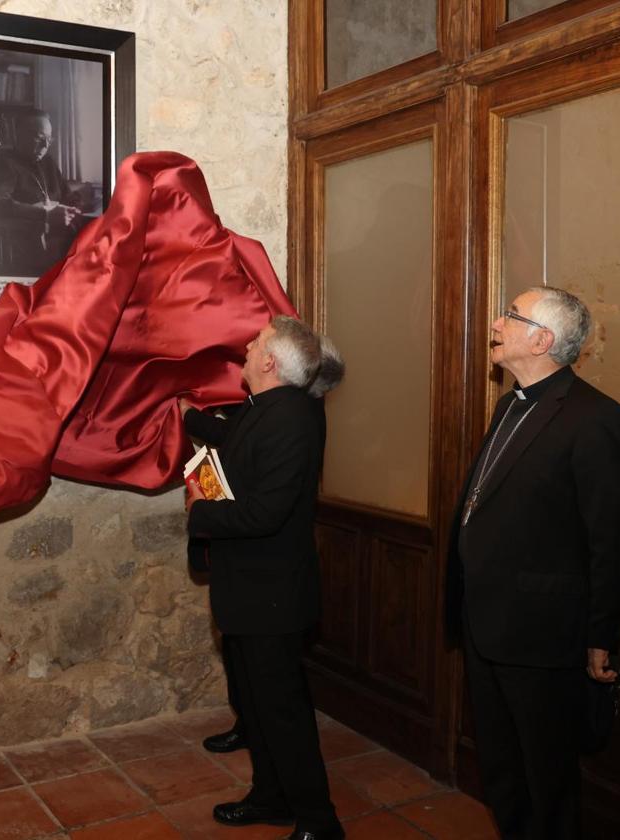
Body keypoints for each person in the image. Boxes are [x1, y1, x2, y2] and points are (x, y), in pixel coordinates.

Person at [445, 286, 620, 838]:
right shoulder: (511, 404)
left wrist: (602, 633)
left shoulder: (595, 417)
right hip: (486, 623)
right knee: (502, 771)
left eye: (510, 315)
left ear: (543, 339)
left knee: (547, 778)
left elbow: (613, 538)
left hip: (541, 633)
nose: (495, 323)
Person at [181, 316, 344, 840]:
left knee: (283, 714)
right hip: (251, 589)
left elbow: (264, 515)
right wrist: (193, 419)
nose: (246, 349)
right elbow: (237, 442)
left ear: (271, 362)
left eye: (255, 345)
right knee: (258, 707)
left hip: (272, 594)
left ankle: (319, 821)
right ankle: (272, 798)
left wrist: (200, 512)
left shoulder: (292, 418)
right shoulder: (269, 408)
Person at [0, 108, 89, 276]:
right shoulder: (4, 164)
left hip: (58, 243)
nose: (45, 146)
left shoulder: (48, 163)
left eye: (49, 140)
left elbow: (67, 195)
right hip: (24, 251)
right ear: (19, 136)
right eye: (39, 138)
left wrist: (74, 208)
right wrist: (45, 214)